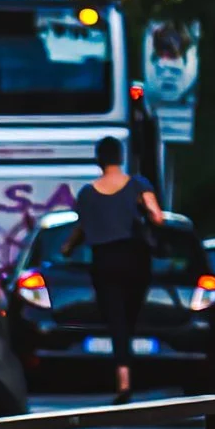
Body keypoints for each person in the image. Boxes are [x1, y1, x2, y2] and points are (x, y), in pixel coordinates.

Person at [63, 137, 163, 399]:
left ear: (99, 160)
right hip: (135, 257)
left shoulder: (87, 193)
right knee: (129, 316)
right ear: (120, 157)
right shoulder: (138, 184)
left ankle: (123, 379)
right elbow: (157, 216)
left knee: (116, 318)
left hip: (104, 260)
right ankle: (130, 364)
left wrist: (68, 248)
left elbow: (82, 228)